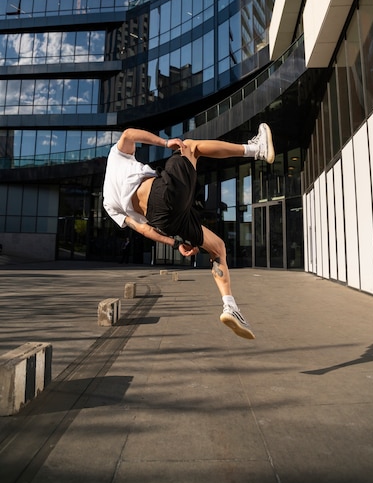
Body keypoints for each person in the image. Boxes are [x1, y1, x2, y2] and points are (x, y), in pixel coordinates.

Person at [103, 124, 275, 339]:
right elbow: (129, 134)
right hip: (162, 194)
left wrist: (175, 244)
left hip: (165, 222)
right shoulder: (116, 156)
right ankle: (256, 150)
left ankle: (231, 307)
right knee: (191, 147)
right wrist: (165, 143)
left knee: (218, 247)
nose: (134, 154)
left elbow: (145, 230)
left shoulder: (108, 204)